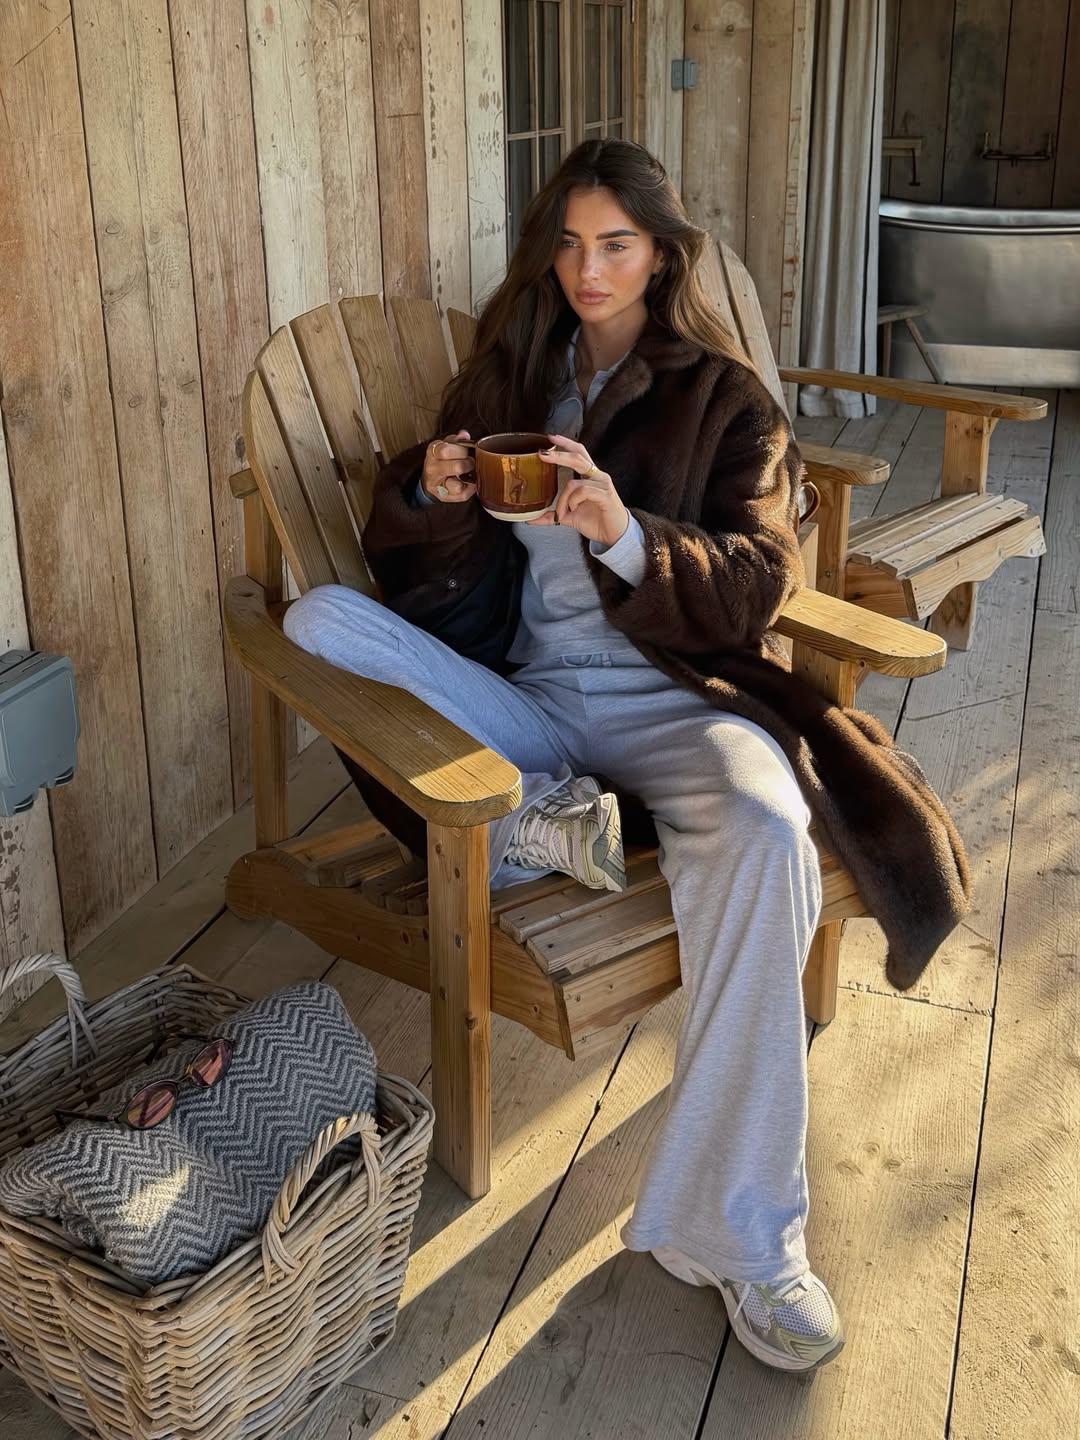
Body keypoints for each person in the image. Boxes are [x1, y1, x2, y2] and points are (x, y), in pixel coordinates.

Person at [284, 139, 969, 1373]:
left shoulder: (725, 400)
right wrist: (430, 496)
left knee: (769, 828)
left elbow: (759, 583)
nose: (588, 269)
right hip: (526, 703)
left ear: (660, 253)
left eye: (616, 244)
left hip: (676, 701)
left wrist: (627, 536)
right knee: (318, 621)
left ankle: (743, 1237)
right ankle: (541, 814)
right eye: (570, 243)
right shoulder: (507, 376)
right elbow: (427, 591)